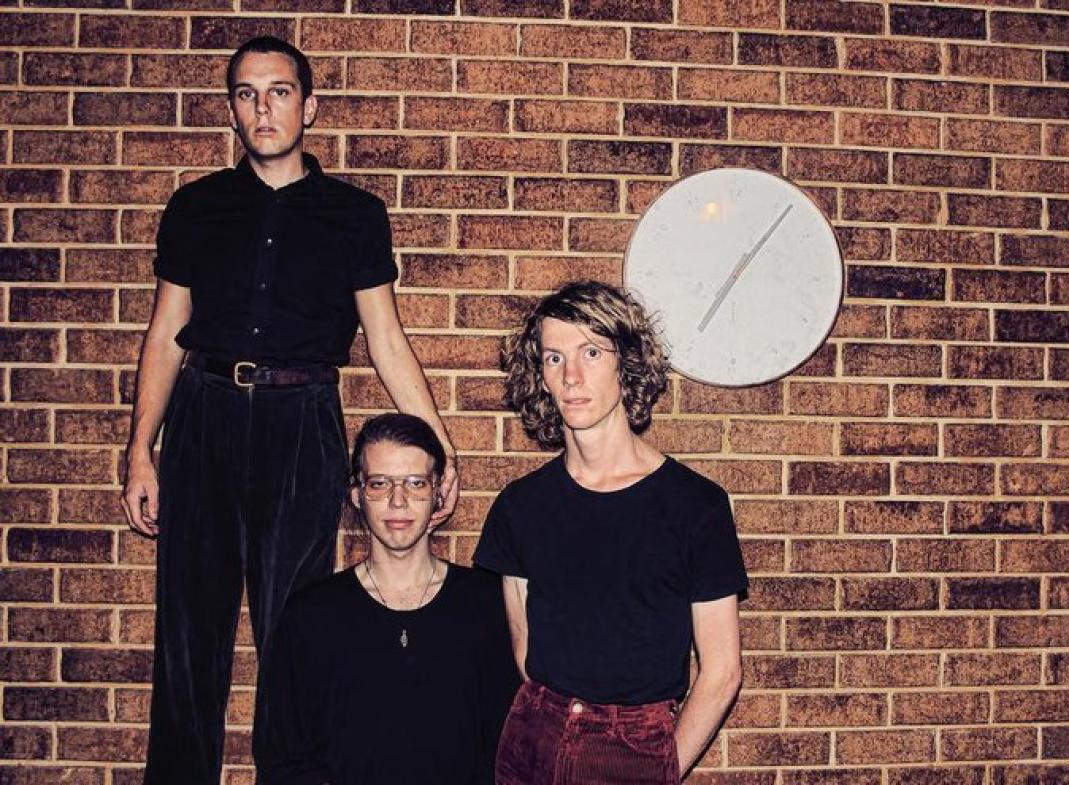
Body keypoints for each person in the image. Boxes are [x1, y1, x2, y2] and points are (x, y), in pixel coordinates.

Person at [118, 36, 458, 785]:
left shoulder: (354, 215)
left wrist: (438, 448)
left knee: (295, 631)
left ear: (309, 106)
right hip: (203, 416)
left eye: (279, 91)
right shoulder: (196, 207)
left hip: (302, 421)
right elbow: (166, 333)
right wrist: (142, 448)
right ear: (232, 110)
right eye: (247, 94)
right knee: (187, 637)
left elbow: (386, 339)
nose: (263, 107)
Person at [474, 280, 748, 784]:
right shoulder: (520, 505)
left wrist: (658, 769)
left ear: (627, 364)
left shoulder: (695, 507)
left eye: (591, 353)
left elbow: (722, 671)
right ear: (540, 375)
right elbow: (525, 650)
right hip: (532, 737)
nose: (571, 376)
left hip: (633, 747)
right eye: (554, 358)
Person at [259, 413, 519, 784]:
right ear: (357, 495)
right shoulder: (312, 615)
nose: (398, 501)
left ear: (438, 494)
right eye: (380, 484)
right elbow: (285, 756)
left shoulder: (485, 605)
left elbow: (506, 745)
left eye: (415, 483)